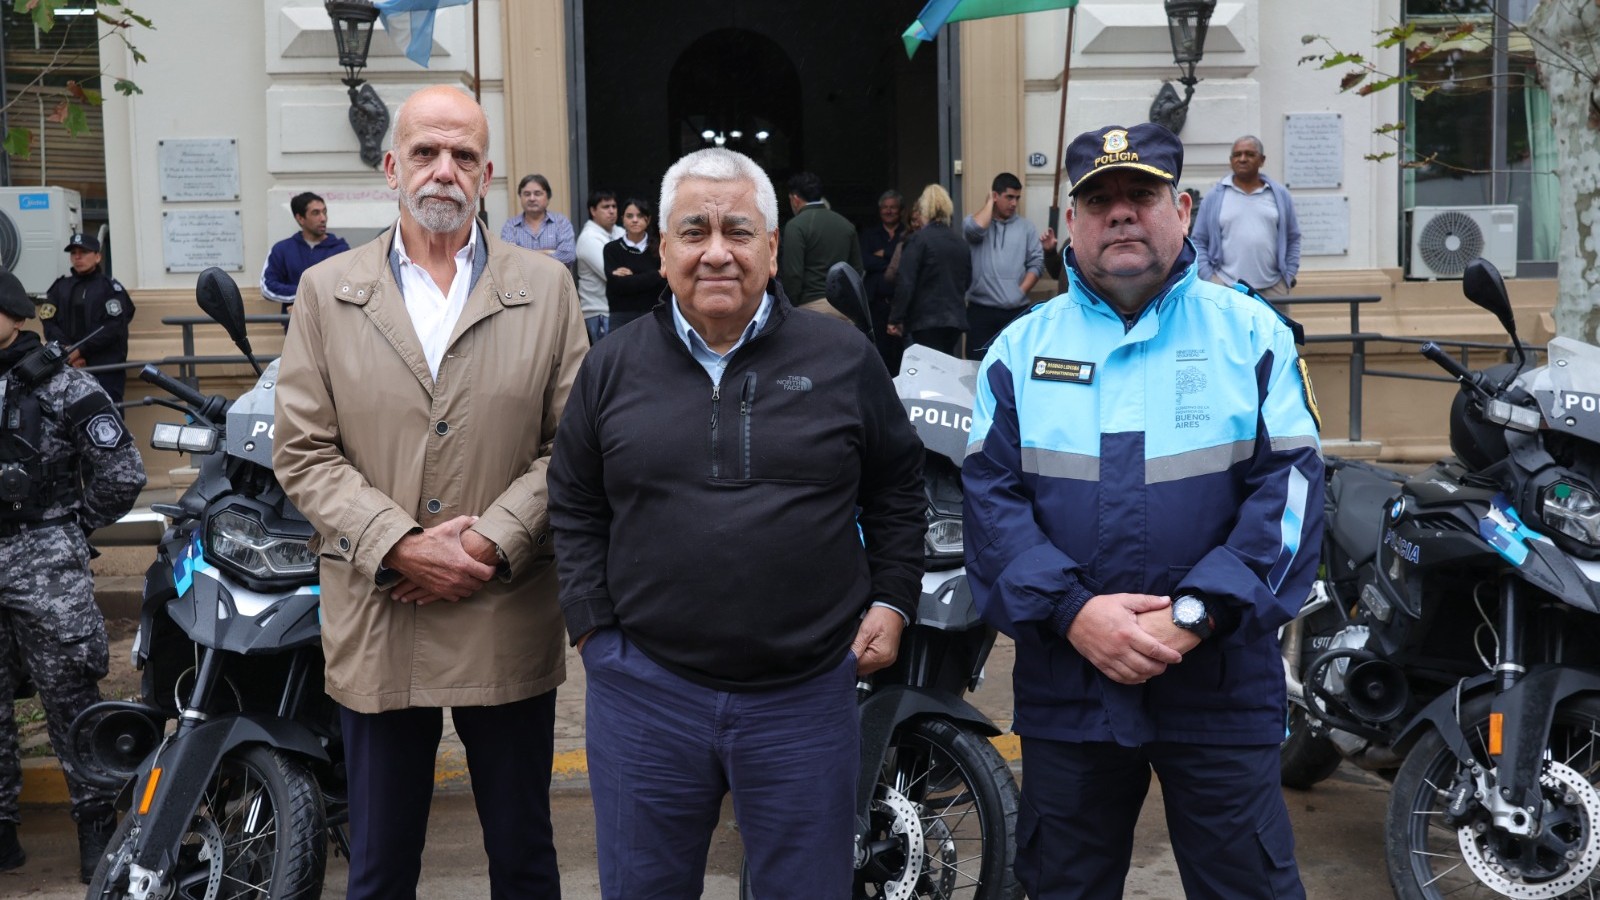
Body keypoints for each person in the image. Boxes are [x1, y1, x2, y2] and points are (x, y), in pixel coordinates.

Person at [548, 147, 925, 900]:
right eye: (694, 231)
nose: (717, 251)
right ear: (663, 248)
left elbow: (897, 486)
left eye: (739, 231)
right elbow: (575, 502)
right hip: (645, 694)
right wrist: (594, 629)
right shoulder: (611, 367)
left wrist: (892, 598)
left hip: (805, 696)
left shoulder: (843, 357)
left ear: (774, 247)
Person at [963, 122, 1323, 900]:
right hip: (1071, 683)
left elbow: (1291, 492)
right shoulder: (1018, 352)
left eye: (1141, 195)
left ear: (1184, 210)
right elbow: (990, 505)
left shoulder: (1252, 334)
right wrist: (1073, 612)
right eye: (1100, 201)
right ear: (1069, 228)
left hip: (1219, 680)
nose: (1121, 214)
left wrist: (1195, 613)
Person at [273, 85, 588, 900]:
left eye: (463, 156)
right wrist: (399, 545)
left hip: (503, 604)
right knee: (378, 869)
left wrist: (485, 544)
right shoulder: (328, 291)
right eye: (425, 152)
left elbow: (573, 450)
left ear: (486, 175)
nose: (443, 171)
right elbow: (303, 451)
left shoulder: (547, 289)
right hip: (384, 612)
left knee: (524, 856)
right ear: (391, 166)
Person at [0, 269, 146, 882]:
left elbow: (123, 472)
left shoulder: (63, 386)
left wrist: (68, 527)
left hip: (44, 562)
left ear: (11, 316)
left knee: (70, 700)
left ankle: (95, 832)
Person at [1191, 136, 1302, 296]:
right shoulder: (1214, 196)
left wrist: (1288, 275)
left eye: (1250, 154)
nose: (1242, 159)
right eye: (1237, 155)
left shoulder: (1279, 195)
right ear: (1231, 161)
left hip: (1273, 288)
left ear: (1262, 160)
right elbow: (1199, 241)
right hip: (1227, 288)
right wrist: (1210, 278)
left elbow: (1293, 237)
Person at [40, 233, 135, 407]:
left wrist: (81, 350)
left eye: (83, 252)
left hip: (105, 368)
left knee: (107, 416)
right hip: (68, 366)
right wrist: (69, 352)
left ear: (97, 256)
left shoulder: (110, 288)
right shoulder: (59, 288)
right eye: (73, 253)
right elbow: (48, 322)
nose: (77, 257)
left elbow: (113, 326)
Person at [963, 172, 1043, 360]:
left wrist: (1019, 292)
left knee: (1013, 366)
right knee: (977, 366)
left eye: (1017, 198)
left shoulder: (1026, 228)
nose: (1014, 203)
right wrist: (989, 204)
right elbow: (974, 231)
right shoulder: (974, 222)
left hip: (1015, 312)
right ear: (995, 196)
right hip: (980, 311)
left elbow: (1037, 263)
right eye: (1009, 197)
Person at [887, 184, 970, 357]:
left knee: (925, 373)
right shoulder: (959, 242)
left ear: (924, 210)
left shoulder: (918, 240)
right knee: (944, 368)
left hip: (924, 321)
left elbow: (906, 282)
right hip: (954, 321)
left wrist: (895, 318)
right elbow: (967, 280)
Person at [779, 171, 863, 324]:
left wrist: (788, 306)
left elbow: (793, 274)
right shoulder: (846, 225)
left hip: (811, 307)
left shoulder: (796, 226)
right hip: (845, 308)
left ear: (795, 199)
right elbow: (856, 271)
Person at [260, 191, 351, 325]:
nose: (323, 218)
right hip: (295, 327)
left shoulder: (340, 250)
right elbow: (267, 287)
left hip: (332, 327)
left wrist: (303, 302)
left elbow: (348, 288)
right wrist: (301, 295)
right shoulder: (282, 249)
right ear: (300, 218)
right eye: (316, 213)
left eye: (324, 212)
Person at [602, 197, 664, 331]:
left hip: (654, 315)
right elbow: (617, 286)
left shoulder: (660, 248)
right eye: (630, 216)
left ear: (648, 219)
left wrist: (632, 278)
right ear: (622, 219)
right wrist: (656, 274)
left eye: (640, 216)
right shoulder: (612, 249)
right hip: (621, 317)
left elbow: (665, 282)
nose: (635, 220)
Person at [860, 189, 906, 370]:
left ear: (901, 210)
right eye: (885, 207)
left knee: (901, 356)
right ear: (879, 211)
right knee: (878, 353)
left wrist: (885, 253)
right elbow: (866, 261)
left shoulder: (908, 234)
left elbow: (906, 263)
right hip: (876, 305)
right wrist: (893, 261)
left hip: (900, 306)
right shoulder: (869, 235)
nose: (889, 211)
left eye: (893, 207)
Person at [575, 189, 624, 343]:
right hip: (599, 313)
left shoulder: (620, 232)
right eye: (605, 207)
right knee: (608, 365)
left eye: (614, 206)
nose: (611, 211)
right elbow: (614, 275)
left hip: (616, 311)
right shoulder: (589, 238)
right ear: (593, 211)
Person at [500, 173, 577, 266]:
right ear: (520, 197)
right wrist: (548, 252)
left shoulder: (561, 222)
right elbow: (509, 259)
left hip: (554, 280)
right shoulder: (511, 225)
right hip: (523, 280)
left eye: (537, 194)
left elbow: (568, 256)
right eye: (527, 194)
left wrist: (525, 256)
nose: (532, 198)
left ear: (548, 197)